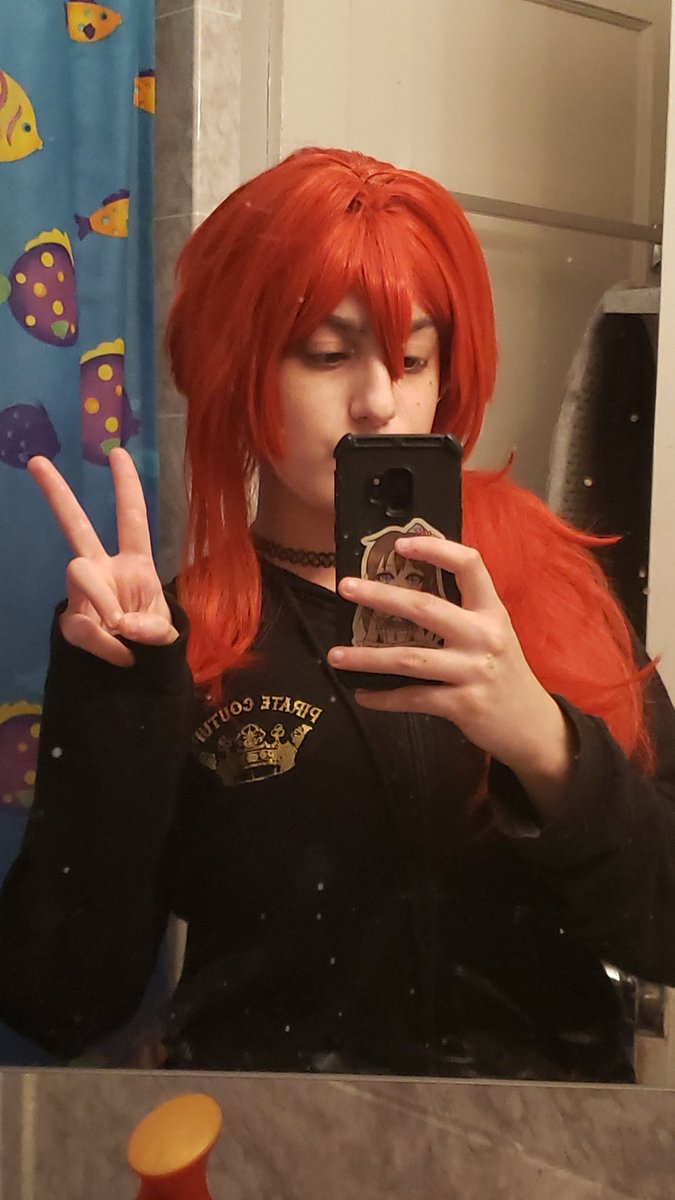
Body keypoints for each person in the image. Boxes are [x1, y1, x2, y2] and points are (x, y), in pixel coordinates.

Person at [1, 146, 675, 1081]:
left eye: (413, 359)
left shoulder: (550, 592)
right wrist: (120, 701)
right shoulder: (172, 640)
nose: (378, 401)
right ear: (237, 369)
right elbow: (60, 999)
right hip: (275, 1141)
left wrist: (546, 744)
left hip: (538, 1141)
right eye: (327, 355)